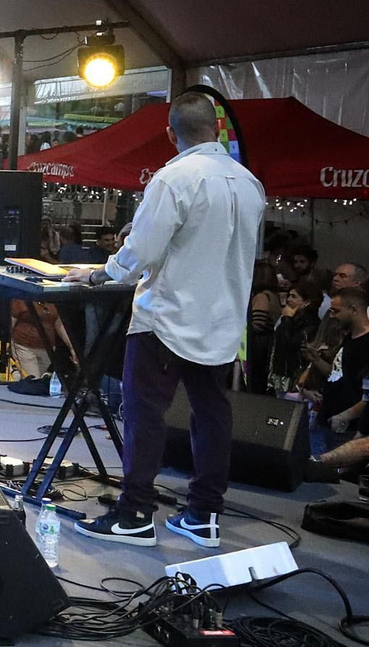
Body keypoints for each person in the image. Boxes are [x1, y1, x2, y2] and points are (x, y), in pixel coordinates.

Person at [70, 93, 265, 549]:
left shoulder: (174, 177)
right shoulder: (250, 183)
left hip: (167, 318)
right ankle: (203, 515)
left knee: (145, 415)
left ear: (171, 134)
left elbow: (143, 252)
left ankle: (135, 514)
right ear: (216, 129)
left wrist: (101, 273)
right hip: (222, 323)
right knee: (213, 414)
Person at [306, 289, 369, 456]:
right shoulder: (349, 339)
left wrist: (346, 416)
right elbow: (337, 375)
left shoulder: (366, 344)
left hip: (347, 427)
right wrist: (317, 360)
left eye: (336, 310)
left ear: (354, 310)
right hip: (326, 419)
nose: (332, 316)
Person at [9, 298, 78, 380]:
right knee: (34, 380)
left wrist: (71, 347)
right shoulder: (21, 300)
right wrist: (8, 342)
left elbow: (59, 324)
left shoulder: (54, 301)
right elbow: (12, 322)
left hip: (47, 349)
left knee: (42, 381)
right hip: (24, 346)